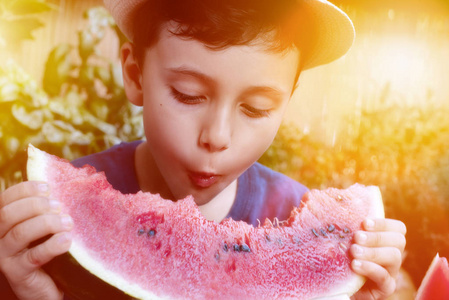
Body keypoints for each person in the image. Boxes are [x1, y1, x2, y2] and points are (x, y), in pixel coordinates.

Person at [0, 0, 407, 299]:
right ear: (135, 76)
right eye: (188, 94)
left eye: (256, 107)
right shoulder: (57, 222)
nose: (217, 136)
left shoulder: (299, 219)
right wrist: (31, 291)